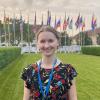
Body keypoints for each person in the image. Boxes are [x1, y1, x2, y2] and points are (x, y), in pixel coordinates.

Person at [21, 25, 77, 100]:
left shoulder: (68, 71)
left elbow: (73, 98)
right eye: (42, 41)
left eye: (50, 41)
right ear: (37, 44)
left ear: (57, 42)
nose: (46, 45)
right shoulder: (29, 71)